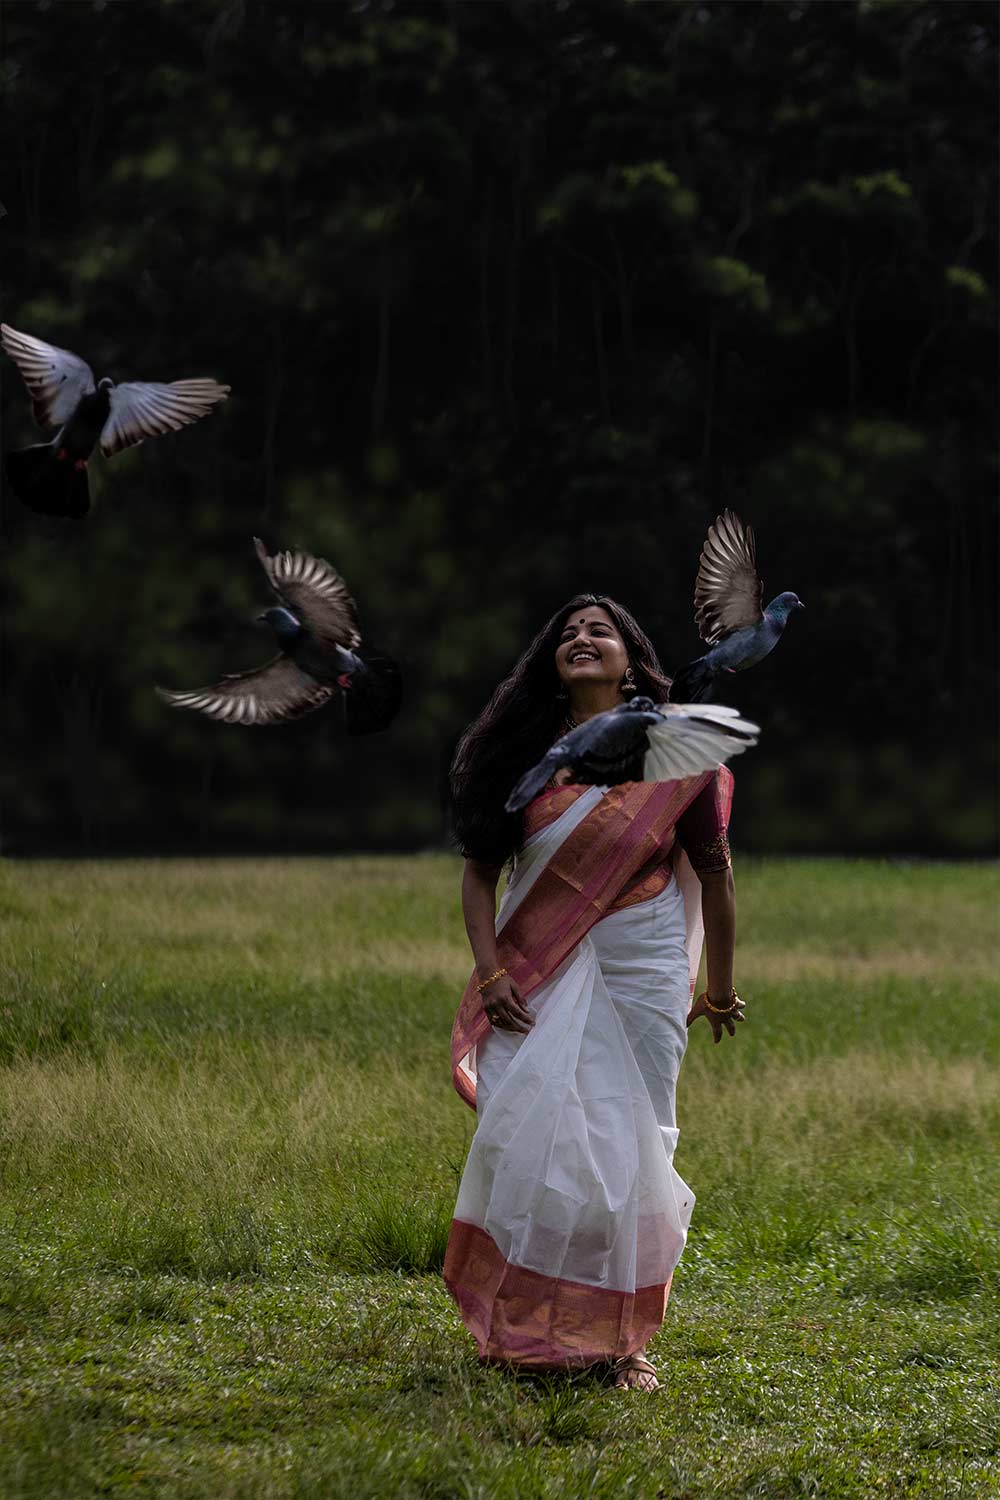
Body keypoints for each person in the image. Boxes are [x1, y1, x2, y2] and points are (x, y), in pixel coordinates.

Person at [443, 594, 745, 1392]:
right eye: (569, 633)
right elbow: (479, 873)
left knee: (632, 1147)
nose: (582, 638)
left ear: (630, 660)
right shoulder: (521, 755)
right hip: (534, 972)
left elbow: (714, 874)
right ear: (553, 662)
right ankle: (520, 1333)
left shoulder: (676, 752)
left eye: (599, 631)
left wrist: (717, 987)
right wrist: (491, 973)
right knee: (537, 1144)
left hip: (642, 966)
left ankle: (621, 1343)